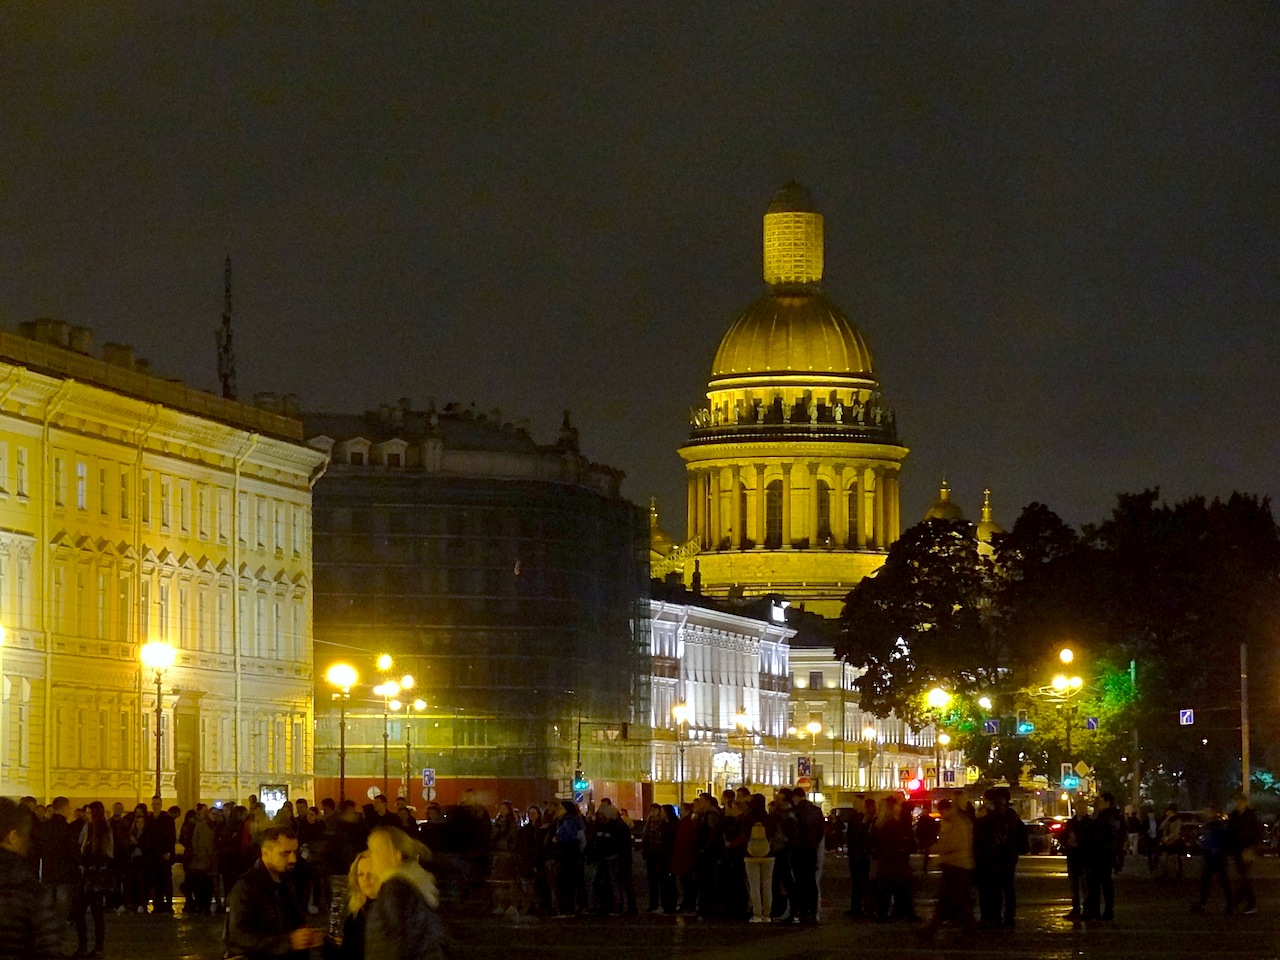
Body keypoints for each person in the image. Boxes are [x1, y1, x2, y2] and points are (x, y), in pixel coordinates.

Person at [225, 826, 325, 960]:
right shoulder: (246, 887)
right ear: (265, 853)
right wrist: (288, 942)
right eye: (285, 854)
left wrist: (307, 936)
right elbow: (238, 937)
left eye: (295, 853)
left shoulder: (287, 880)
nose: (293, 859)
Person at [364, 826, 444, 960]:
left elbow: (396, 940)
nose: (369, 855)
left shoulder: (395, 889)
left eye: (375, 850)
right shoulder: (414, 884)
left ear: (396, 856)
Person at [0, 798, 63, 958]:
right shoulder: (26, 886)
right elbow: (47, 947)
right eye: (25, 836)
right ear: (12, 837)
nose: (28, 844)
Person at [919, 799, 976, 941]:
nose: (942, 815)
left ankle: (968, 929)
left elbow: (951, 844)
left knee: (957, 900)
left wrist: (933, 848)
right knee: (950, 900)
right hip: (957, 866)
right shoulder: (957, 821)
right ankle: (932, 929)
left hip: (956, 867)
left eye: (942, 811)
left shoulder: (955, 823)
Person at [74, 801, 114, 958]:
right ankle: (84, 946)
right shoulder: (90, 829)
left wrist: (87, 861)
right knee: (81, 912)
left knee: (95, 913)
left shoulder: (102, 830)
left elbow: (103, 854)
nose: (87, 815)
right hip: (88, 876)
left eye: (90, 813)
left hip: (95, 877)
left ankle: (97, 948)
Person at [323, 850, 377, 960]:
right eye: (361, 874)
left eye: (371, 873)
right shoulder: (356, 915)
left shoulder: (389, 911)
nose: (365, 879)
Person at [1083, 792, 1123, 921]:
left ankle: (1099, 911)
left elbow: (1105, 834)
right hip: (1105, 852)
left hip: (1102, 853)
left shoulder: (1108, 817)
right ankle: (1102, 910)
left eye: (1101, 801)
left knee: (1099, 883)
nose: (1098, 804)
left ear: (1107, 802)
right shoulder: (1112, 816)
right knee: (1103, 883)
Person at [740, 794, 776, 923]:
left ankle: (757, 914)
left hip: (751, 855)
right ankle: (767, 914)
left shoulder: (747, 818)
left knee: (754, 885)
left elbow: (744, 835)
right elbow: (773, 834)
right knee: (767, 885)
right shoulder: (769, 818)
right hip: (768, 854)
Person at [1191, 802, 1232, 915]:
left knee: (1218, 881)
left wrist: (1208, 846)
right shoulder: (1212, 825)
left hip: (1215, 855)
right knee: (1213, 880)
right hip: (1213, 855)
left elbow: (1217, 840)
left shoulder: (1215, 826)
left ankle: (1228, 903)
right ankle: (1228, 903)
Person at [1227, 793, 1260, 915]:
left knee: (1244, 878)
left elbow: (1257, 833)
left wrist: (1252, 848)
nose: (1238, 804)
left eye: (1240, 802)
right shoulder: (1235, 816)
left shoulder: (1250, 816)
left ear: (1245, 803)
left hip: (1246, 849)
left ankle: (1239, 902)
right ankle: (1241, 902)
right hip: (1237, 849)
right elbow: (1230, 832)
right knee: (1243, 878)